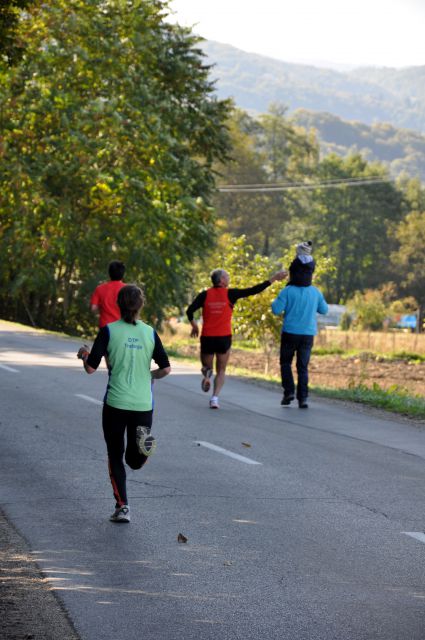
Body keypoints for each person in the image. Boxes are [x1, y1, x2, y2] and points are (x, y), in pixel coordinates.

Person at [77, 284, 171, 523]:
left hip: (116, 403)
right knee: (134, 461)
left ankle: (123, 506)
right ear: (141, 305)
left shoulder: (108, 331)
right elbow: (166, 368)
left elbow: (90, 368)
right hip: (143, 403)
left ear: (118, 304)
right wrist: (150, 376)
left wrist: (84, 354)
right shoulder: (150, 332)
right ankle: (143, 449)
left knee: (115, 455)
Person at [186, 268, 286, 409]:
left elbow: (189, 310)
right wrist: (273, 278)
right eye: (227, 276)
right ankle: (214, 398)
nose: (229, 278)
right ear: (221, 280)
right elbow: (253, 290)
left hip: (208, 337)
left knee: (206, 367)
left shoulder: (204, 295)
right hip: (224, 338)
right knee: (221, 370)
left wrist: (194, 326)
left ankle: (207, 377)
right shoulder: (231, 294)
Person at [271, 277, 328, 409]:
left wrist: (277, 299)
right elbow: (324, 310)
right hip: (308, 334)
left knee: (285, 363)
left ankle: (289, 392)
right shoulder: (315, 291)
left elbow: (276, 310)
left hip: (290, 332)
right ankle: (303, 399)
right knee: (302, 367)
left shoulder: (287, 291)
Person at [90, 260, 126, 327]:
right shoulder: (128, 290)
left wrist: (101, 312)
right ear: (123, 274)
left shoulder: (100, 288)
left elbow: (93, 308)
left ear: (109, 273)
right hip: (122, 327)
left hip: (105, 326)